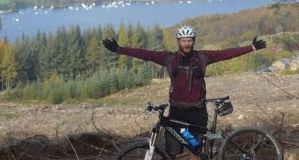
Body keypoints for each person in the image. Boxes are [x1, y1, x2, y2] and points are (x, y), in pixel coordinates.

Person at [102, 25, 266, 160]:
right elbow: (145, 53)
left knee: (195, 152)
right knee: (173, 152)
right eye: (183, 41)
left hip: (197, 113)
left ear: (193, 41)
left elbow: (225, 54)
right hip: (177, 113)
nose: (187, 44)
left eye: (189, 40)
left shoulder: (203, 57)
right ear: (178, 42)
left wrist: (251, 47)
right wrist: (118, 49)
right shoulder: (169, 58)